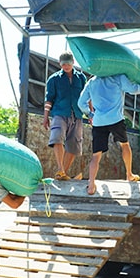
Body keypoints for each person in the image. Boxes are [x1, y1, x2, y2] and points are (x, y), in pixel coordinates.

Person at [77, 74, 140, 195]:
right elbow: (132, 89)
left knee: (96, 155)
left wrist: (89, 114)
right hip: (116, 119)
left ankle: (91, 184)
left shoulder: (92, 82)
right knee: (125, 145)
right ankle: (129, 174)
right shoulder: (118, 77)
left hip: (99, 121)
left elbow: (81, 103)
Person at [44, 51, 87, 181]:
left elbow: (86, 97)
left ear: (73, 62)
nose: (66, 66)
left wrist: (90, 113)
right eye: (63, 64)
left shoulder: (81, 78)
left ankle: (62, 174)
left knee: (74, 145)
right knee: (57, 138)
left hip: (77, 114)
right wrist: (46, 116)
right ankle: (60, 169)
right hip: (59, 113)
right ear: (60, 64)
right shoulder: (54, 79)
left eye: (68, 63)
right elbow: (49, 99)